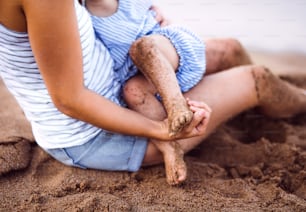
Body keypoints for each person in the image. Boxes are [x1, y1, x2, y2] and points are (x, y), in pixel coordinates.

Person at [0, 0, 305, 186]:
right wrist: (162, 130)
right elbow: (68, 99)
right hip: (96, 133)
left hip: (118, 73)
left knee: (230, 49)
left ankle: (255, 107)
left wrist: (139, 15)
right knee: (257, 78)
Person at [81, 0, 206, 185]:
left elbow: (153, 12)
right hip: (141, 76)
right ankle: (170, 148)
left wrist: (156, 12)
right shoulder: (81, 18)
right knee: (131, 91)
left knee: (142, 47)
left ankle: (176, 105)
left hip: (170, 53)